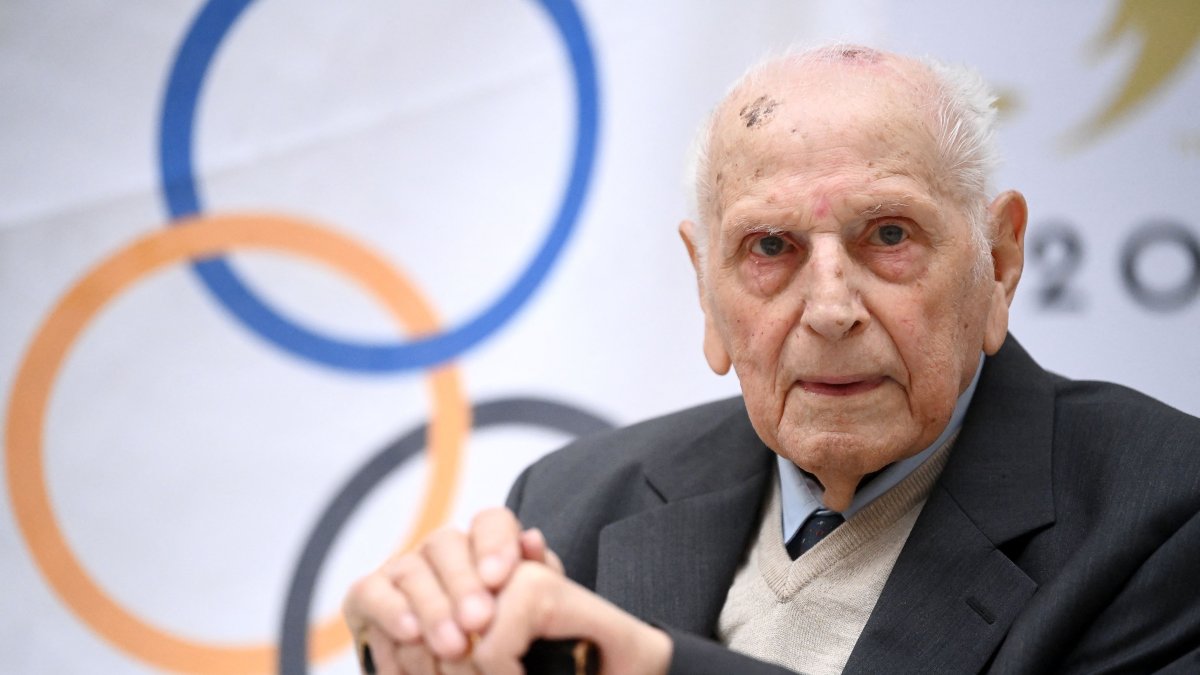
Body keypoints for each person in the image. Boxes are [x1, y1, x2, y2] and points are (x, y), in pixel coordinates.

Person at [343, 44, 1200, 674]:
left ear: (1000, 260)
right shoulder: (573, 503)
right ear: (705, 286)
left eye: (889, 234)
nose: (829, 308)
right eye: (770, 246)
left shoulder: (1164, 511)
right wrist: (422, 645)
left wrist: (647, 667)